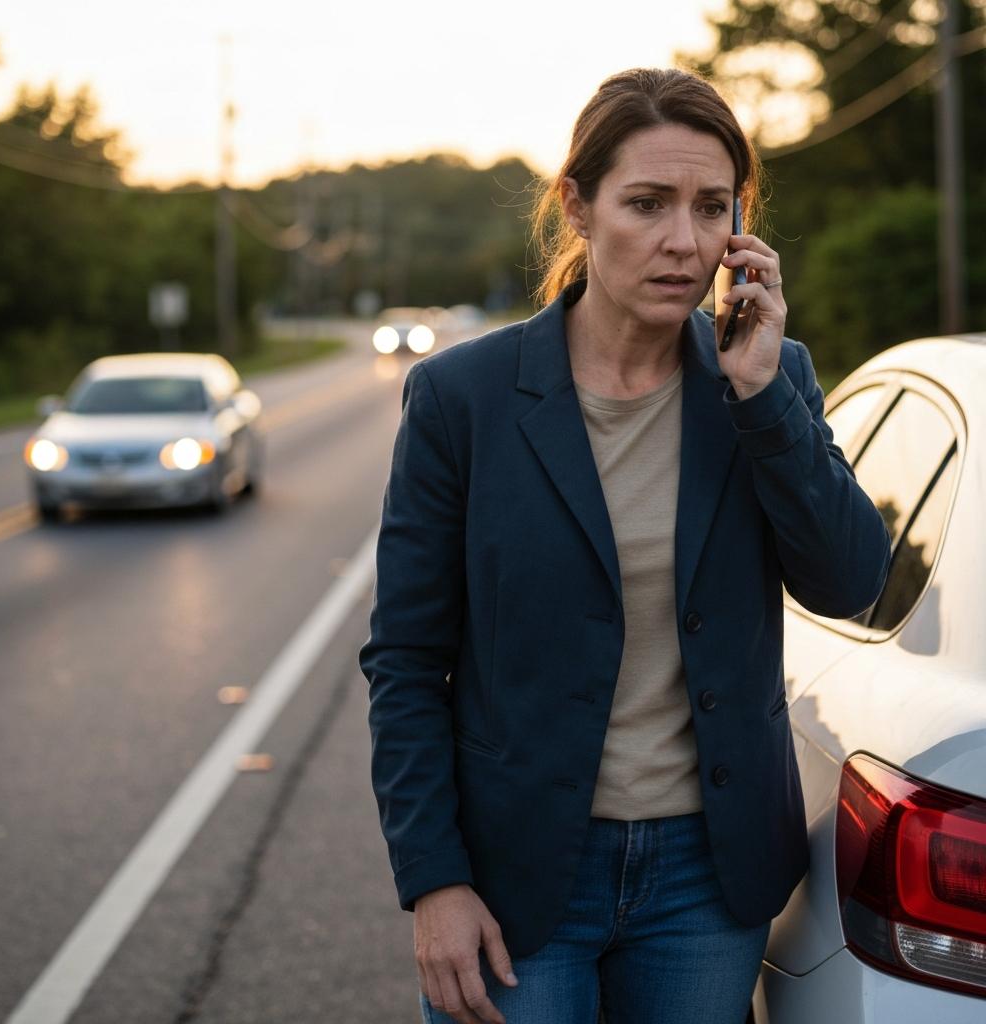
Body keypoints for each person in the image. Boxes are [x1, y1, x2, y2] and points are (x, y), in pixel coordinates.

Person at [360, 67, 891, 1024]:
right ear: (577, 204)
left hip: (707, 877)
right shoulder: (462, 401)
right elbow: (405, 662)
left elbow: (850, 582)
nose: (682, 241)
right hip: (517, 873)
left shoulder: (769, 380)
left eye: (712, 207)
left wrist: (764, 399)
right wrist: (433, 882)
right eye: (646, 203)